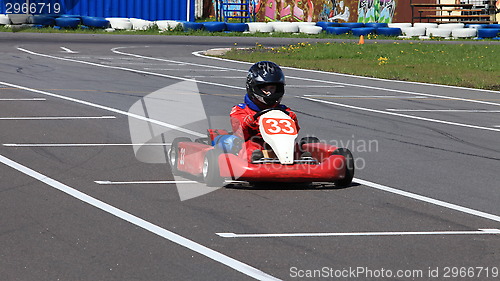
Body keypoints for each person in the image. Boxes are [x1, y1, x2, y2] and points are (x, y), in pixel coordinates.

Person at [230, 61, 300, 161]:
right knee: (252, 146)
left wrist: (293, 120)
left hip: (282, 145)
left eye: (272, 88)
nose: (269, 92)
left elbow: (294, 133)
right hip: (254, 143)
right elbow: (239, 131)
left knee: (302, 145)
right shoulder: (240, 110)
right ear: (253, 87)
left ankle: (305, 159)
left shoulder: (284, 111)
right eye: (264, 89)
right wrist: (248, 121)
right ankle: (256, 160)